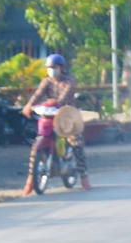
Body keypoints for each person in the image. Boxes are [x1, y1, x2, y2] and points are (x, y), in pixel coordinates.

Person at [21, 53, 89, 194]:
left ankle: (84, 177)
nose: (52, 70)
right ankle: (30, 181)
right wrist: (29, 105)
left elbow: (66, 94)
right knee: (35, 147)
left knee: (77, 143)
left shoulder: (69, 80)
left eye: (55, 67)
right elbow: (37, 95)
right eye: (50, 67)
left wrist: (56, 102)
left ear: (61, 67)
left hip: (67, 116)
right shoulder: (46, 81)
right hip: (50, 115)